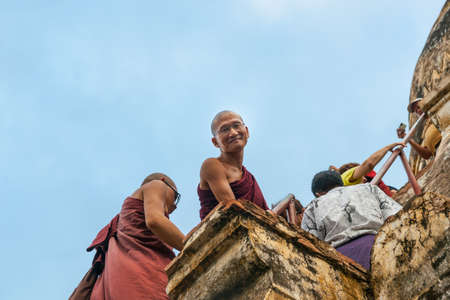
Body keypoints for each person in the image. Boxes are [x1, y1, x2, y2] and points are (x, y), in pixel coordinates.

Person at [87, 173, 185, 300]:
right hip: (144, 277)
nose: (175, 206)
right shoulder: (157, 184)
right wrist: (191, 246)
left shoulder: (120, 226)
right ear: (163, 181)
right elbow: (155, 220)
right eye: (176, 196)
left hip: (122, 284)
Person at [301, 170, 402, 269]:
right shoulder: (369, 188)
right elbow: (395, 216)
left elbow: (312, 244)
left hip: (341, 262)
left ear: (318, 194)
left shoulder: (312, 207)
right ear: (341, 183)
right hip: (379, 246)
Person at [198, 110, 269, 220]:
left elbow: (266, 213)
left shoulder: (249, 177)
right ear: (215, 142)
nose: (233, 133)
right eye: (225, 129)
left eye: (236, 125)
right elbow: (233, 208)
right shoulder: (212, 165)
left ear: (247, 131)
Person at [337, 142, 404, 196]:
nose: (365, 179)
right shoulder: (345, 178)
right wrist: (387, 148)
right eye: (361, 176)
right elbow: (368, 164)